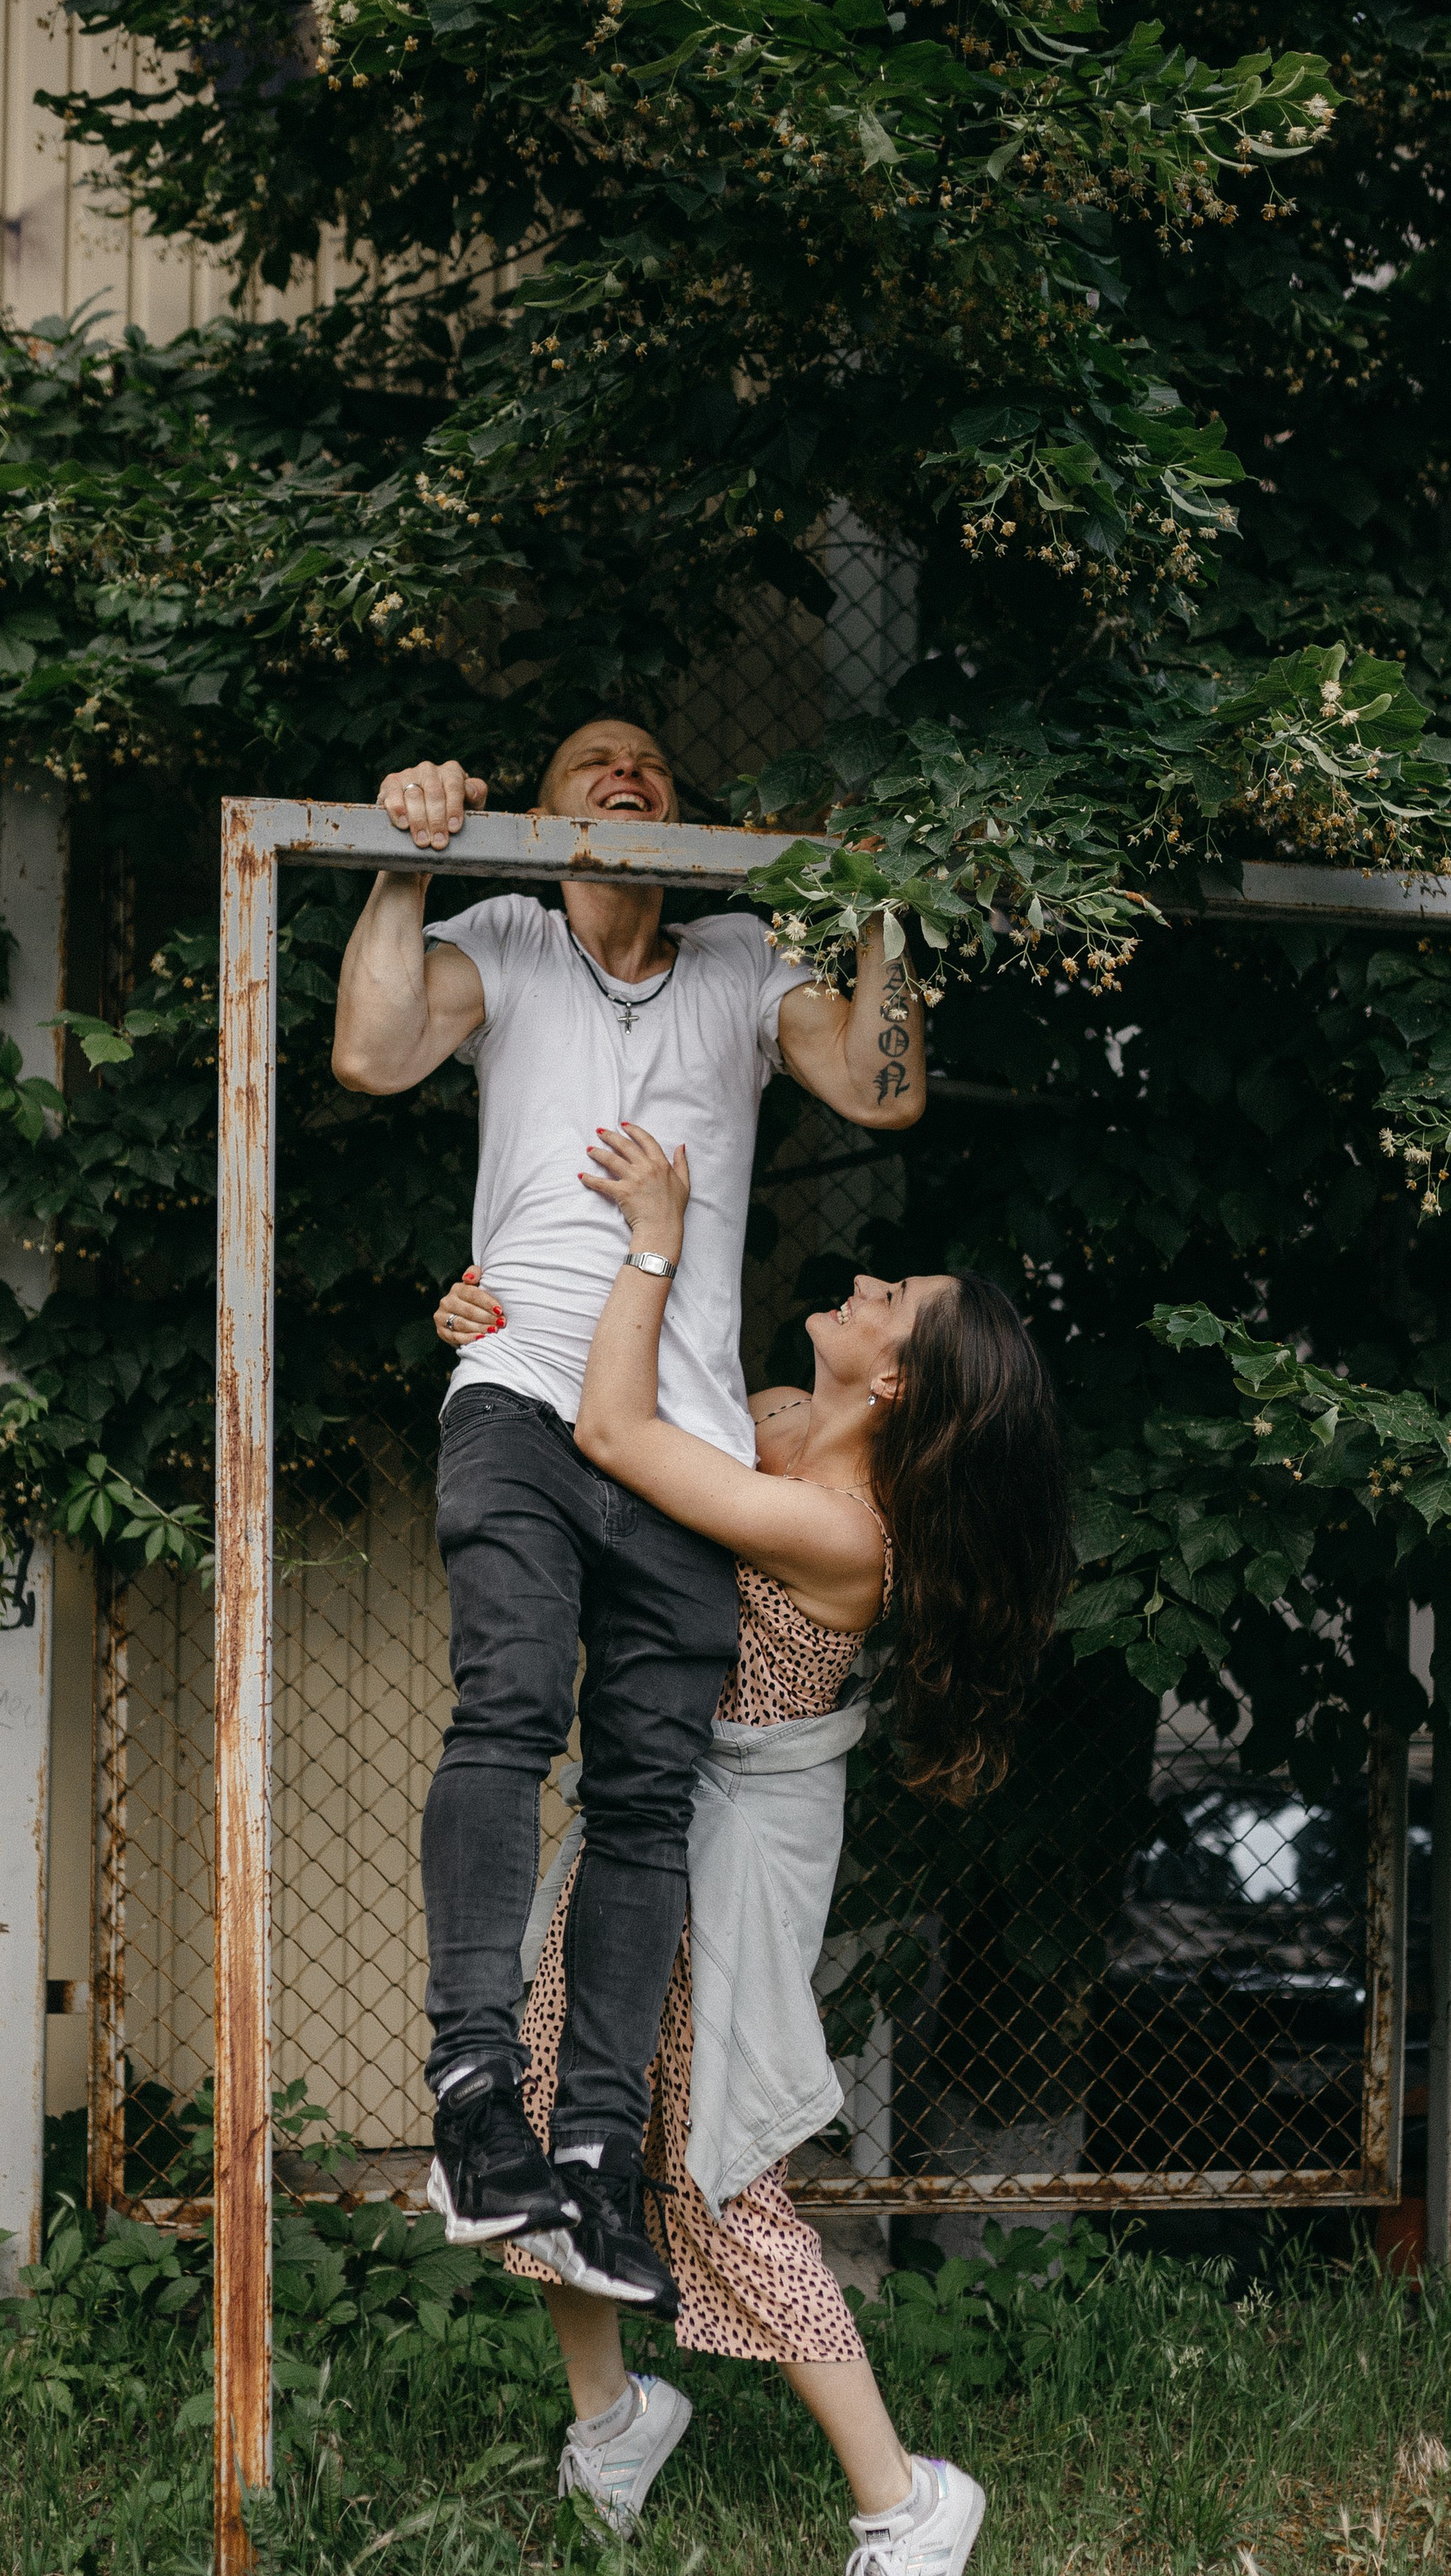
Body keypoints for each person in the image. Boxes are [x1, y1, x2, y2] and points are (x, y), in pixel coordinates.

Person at [432, 1118, 1069, 2576]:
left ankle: (903, 2496)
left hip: (736, 1848)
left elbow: (618, 1443)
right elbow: (592, 1408)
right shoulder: (774, 1414)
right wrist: (493, 1324)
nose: (855, 1280)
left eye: (885, 1296)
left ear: (895, 1380)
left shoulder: (846, 1529)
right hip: (652, 1806)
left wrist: (654, 1239)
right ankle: (616, 2416)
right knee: (541, 2089)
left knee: (719, 2170)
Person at [331, 723, 927, 2301]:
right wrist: (408, 858)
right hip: (522, 1390)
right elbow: (372, 1054)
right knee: (508, 1711)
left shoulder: (737, 954)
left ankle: (591, 2157)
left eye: (659, 759)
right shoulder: (504, 935)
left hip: (683, 1443)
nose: (632, 770)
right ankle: (474, 2095)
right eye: (592, 757)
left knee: (645, 1798)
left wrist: (875, 899)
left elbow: (880, 1091)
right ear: (537, 810)